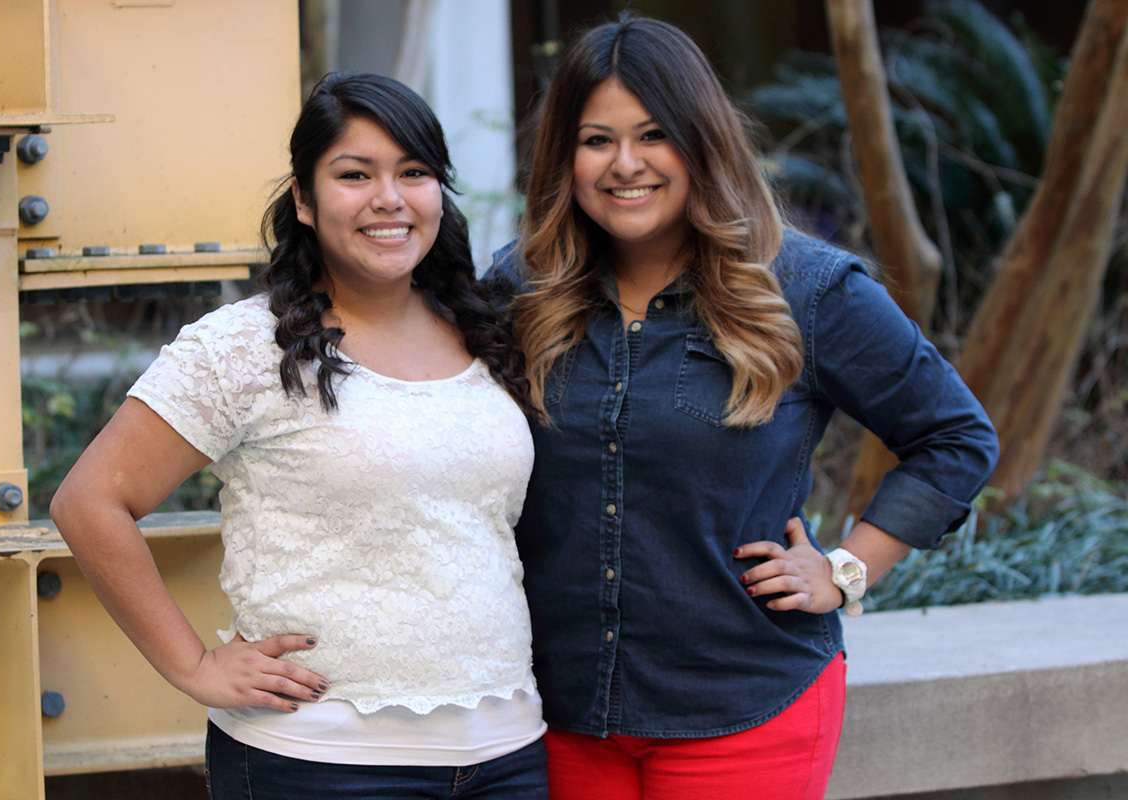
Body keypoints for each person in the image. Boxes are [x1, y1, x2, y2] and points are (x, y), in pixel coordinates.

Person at [488, 14, 1000, 800]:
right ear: (565, 155)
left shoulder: (807, 288)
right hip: (558, 715)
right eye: (597, 140)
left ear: (703, 141)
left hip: (745, 712)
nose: (625, 165)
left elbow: (956, 436)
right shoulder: (519, 289)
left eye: (655, 134)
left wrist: (848, 569)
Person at [51, 72, 547, 799]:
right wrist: (192, 666)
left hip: (506, 753)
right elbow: (89, 502)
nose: (389, 198)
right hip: (318, 760)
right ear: (305, 201)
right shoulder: (242, 346)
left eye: (414, 173)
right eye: (355, 175)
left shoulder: (488, 331)